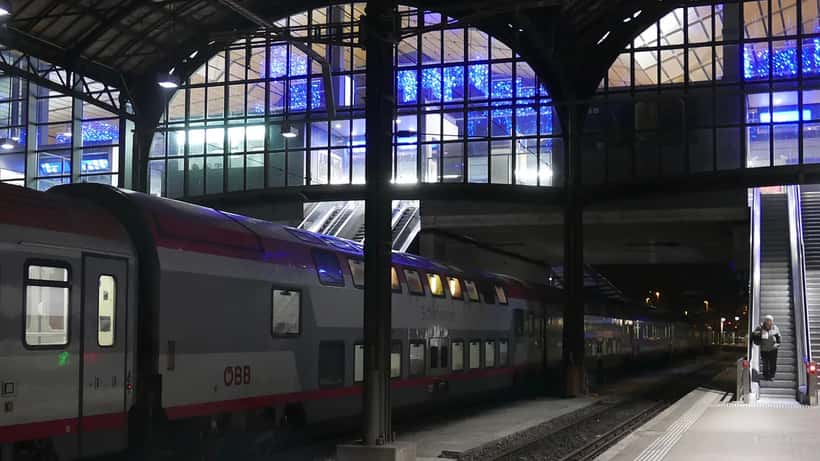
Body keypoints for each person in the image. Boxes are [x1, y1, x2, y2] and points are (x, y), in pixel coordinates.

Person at [752, 315, 782, 380]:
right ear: (765, 321)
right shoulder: (760, 327)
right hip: (764, 349)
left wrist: (777, 344)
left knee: (773, 363)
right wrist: (759, 334)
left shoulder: (775, 328)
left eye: (770, 320)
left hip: (773, 349)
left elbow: (779, 337)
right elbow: (754, 334)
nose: (769, 322)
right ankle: (765, 375)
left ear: (772, 321)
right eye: (767, 320)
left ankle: (772, 375)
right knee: (765, 363)